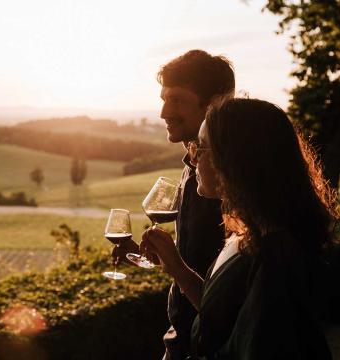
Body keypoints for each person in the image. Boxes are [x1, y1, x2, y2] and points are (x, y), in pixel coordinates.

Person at [141, 98, 339, 359]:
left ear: (235, 160)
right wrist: (177, 268)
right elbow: (223, 317)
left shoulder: (275, 255)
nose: (193, 159)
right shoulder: (246, 233)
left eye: (201, 148)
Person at [115, 49, 235, 359]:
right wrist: (161, 255)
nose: (164, 112)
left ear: (214, 104)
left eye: (177, 99)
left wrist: (177, 266)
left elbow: (231, 302)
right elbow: (201, 259)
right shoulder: (190, 169)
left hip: (210, 346)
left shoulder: (231, 183)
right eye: (164, 99)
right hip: (182, 339)